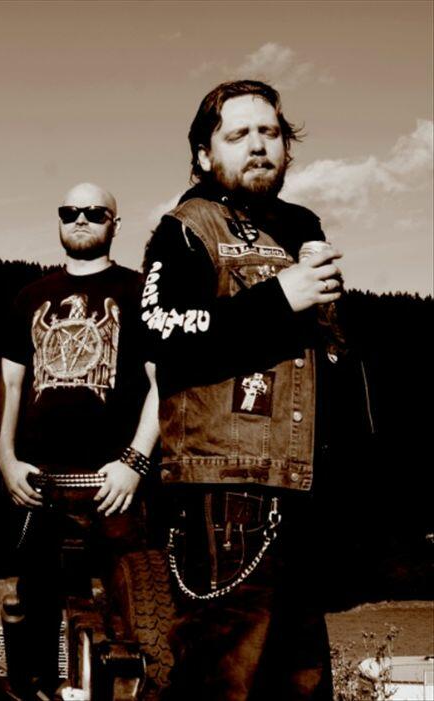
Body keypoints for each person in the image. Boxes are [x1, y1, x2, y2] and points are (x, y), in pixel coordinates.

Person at [140, 80, 374, 700]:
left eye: (269, 132)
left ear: (287, 148)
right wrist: (278, 297)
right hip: (224, 491)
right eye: (237, 134)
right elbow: (158, 332)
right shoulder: (186, 227)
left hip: (304, 488)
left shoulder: (301, 225)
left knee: (301, 681)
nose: (257, 145)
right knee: (224, 681)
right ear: (204, 154)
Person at [0, 183, 159, 698]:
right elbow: (11, 385)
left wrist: (135, 462)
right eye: (70, 212)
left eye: (95, 212)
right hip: (41, 485)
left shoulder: (140, 292)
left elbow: (163, 384)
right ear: (59, 220)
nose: (81, 219)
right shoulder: (29, 296)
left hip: (117, 486)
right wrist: (5, 459)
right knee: (33, 617)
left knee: (138, 622)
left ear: (115, 224)